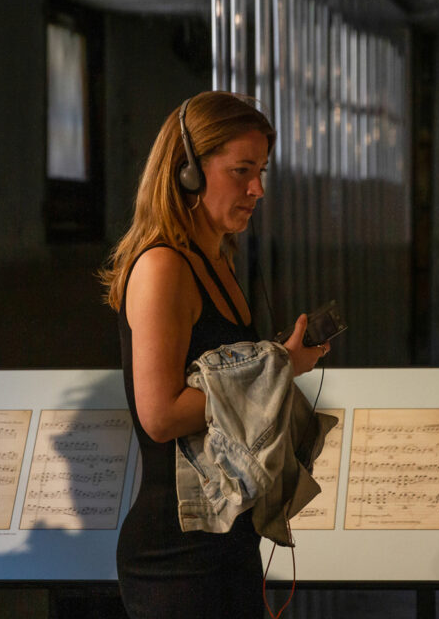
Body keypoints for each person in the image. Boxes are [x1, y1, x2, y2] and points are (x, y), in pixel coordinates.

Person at [100, 91, 328, 618]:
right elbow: (158, 416)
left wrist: (276, 368)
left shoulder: (217, 261)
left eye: (262, 170)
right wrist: (278, 369)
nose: (257, 189)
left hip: (226, 536)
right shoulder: (163, 266)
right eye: (241, 170)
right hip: (177, 552)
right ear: (188, 173)